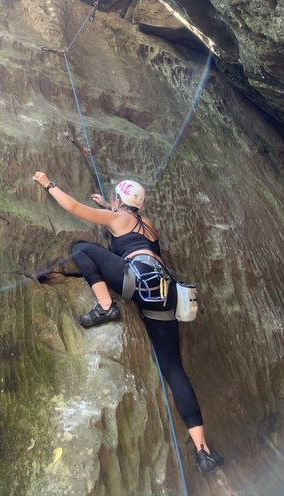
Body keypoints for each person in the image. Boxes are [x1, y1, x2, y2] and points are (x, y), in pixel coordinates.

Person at [32, 172, 224, 473]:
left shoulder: (116, 219)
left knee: (82, 250)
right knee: (174, 369)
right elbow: (126, 233)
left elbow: (72, 207)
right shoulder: (148, 225)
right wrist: (108, 206)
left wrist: (47, 183)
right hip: (168, 295)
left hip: (138, 283)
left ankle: (106, 306)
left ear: (119, 200)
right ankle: (203, 451)